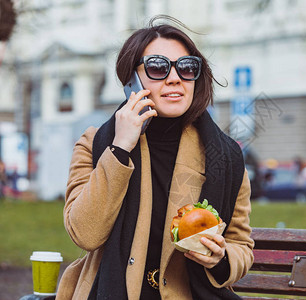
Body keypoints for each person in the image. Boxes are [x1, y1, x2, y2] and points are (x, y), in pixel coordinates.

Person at [56, 16, 254, 300]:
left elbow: (241, 245)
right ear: (132, 80)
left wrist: (220, 258)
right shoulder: (95, 143)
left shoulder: (224, 156)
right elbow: (85, 234)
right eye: (158, 67)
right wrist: (120, 147)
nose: (175, 78)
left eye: (187, 68)